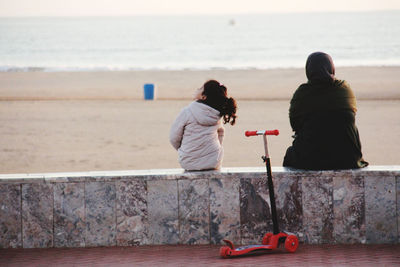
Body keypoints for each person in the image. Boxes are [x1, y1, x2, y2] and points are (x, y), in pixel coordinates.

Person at [283, 52, 368, 170]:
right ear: (331, 67)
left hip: (310, 159)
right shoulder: (344, 89)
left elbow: (295, 125)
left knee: (289, 156)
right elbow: (351, 115)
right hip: (348, 158)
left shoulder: (302, 93)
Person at [170, 80, 237, 171]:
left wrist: (184, 150)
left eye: (200, 88)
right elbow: (221, 132)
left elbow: (174, 138)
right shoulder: (217, 115)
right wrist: (215, 149)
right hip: (214, 161)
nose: (197, 89)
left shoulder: (187, 112)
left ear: (203, 96)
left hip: (188, 162)